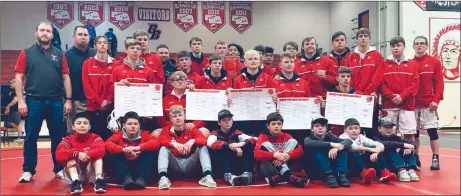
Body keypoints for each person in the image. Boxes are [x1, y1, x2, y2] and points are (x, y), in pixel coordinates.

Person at [15, 22, 72, 182]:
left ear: (52, 35)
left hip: (56, 101)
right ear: (36, 33)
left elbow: (66, 78)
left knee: (58, 137)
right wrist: (20, 101)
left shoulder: (60, 54)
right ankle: (28, 170)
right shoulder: (26, 53)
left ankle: (59, 168)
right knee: (31, 137)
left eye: (48, 31)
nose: (45, 33)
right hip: (33, 100)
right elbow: (19, 77)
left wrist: (68, 100)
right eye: (42, 30)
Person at [364, 36, 420, 145]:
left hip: (407, 105)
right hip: (389, 105)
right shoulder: (384, 64)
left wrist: (402, 96)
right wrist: (391, 96)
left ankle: (411, 159)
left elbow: (415, 84)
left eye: (398, 45)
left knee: (409, 134)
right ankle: (390, 159)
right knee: (387, 133)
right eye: (393, 46)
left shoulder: (412, 64)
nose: (396, 48)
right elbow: (381, 82)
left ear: (404, 46)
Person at [157, 105, 217, 190]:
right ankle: (163, 178)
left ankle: (207, 176)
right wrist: (173, 144)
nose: (178, 118)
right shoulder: (166, 130)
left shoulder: (191, 128)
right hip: (175, 164)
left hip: (191, 163)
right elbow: (160, 141)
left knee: (202, 146)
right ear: (171, 118)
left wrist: (192, 141)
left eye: (180, 115)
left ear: (184, 116)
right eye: (174, 116)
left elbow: (203, 140)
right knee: (163, 148)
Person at [110, 38, 158, 133]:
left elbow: (153, 92)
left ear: (141, 52)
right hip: (123, 110)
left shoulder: (148, 70)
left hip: (142, 112)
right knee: (122, 136)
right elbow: (110, 90)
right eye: (132, 48)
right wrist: (118, 85)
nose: (135, 50)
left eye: (138, 48)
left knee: (141, 136)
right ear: (126, 50)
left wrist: (150, 110)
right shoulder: (117, 70)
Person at [412, 36, 444, 170]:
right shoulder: (409, 62)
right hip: (413, 105)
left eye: (422, 44)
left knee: (433, 132)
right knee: (414, 134)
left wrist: (436, 100)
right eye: (417, 44)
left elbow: (439, 83)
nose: (419, 46)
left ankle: (435, 158)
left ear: (426, 46)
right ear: (413, 46)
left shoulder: (434, 62)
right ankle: (415, 158)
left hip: (429, 105)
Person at [105, 111, 160, 190]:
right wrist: (123, 150)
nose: (133, 126)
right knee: (115, 154)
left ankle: (142, 179)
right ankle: (126, 179)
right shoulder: (118, 135)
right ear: (123, 125)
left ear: (139, 125)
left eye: (135, 124)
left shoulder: (144, 134)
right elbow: (107, 144)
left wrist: (139, 148)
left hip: (141, 168)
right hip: (124, 169)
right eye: (129, 124)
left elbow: (156, 143)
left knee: (151, 152)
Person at [346, 28, 384, 139]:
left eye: (365, 36)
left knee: (372, 131)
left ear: (369, 38)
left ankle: (372, 155)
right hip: (355, 98)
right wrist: (357, 93)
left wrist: (366, 93)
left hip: (371, 98)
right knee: (356, 130)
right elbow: (348, 77)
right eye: (360, 36)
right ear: (357, 40)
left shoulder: (377, 56)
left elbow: (378, 77)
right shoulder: (350, 57)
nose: (363, 38)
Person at [55, 113, 106, 194]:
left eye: (85, 123)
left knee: (98, 157)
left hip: (91, 173)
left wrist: (80, 158)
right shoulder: (67, 140)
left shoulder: (96, 137)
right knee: (69, 160)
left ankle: (99, 180)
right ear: (73, 127)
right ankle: (76, 183)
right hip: (75, 172)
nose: (82, 126)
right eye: (79, 123)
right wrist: (77, 154)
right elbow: (59, 155)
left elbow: (100, 150)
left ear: (89, 127)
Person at [254, 112, 308, 188]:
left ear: (282, 125)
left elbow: (300, 151)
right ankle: (288, 175)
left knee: (293, 141)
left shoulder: (286, 136)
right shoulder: (263, 136)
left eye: (279, 124)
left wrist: (285, 156)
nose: (276, 126)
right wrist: (275, 155)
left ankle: (280, 176)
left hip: (284, 164)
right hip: (268, 169)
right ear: (268, 126)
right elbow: (256, 154)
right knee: (266, 144)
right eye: (273, 124)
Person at [233, 49, 276, 137]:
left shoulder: (268, 78)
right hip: (245, 119)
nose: (253, 61)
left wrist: (275, 97)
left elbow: (275, 96)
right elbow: (235, 100)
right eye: (250, 59)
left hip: (263, 119)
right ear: (245, 63)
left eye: (255, 59)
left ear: (260, 61)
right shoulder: (237, 80)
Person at [82, 36, 118, 141]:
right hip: (93, 108)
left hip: (111, 109)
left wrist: (108, 101)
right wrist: (99, 101)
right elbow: (86, 86)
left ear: (108, 46)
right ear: (95, 46)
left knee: (110, 139)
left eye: (105, 43)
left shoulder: (116, 64)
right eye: (99, 42)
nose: (102, 44)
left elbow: (115, 85)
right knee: (95, 139)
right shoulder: (87, 64)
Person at [207, 109, 256, 186]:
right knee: (220, 148)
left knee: (248, 145)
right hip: (221, 166)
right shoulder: (215, 134)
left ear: (232, 121)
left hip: (236, 163)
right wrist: (229, 146)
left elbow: (255, 139)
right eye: (224, 120)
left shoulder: (237, 133)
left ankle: (248, 174)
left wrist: (240, 144)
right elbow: (210, 143)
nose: (227, 122)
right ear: (219, 123)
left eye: (229, 120)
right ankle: (228, 176)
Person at [303, 115, 352, 188]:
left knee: (343, 148)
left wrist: (337, 148)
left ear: (326, 128)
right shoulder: (309, 138)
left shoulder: (330, 136)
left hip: (332, 169)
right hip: (315, 170)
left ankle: (341, 175)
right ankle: (328, 175)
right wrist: (331, 144)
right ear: (312, 129)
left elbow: (348, 141)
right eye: (317, 126)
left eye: (323, 126)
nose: (320, 128)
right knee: (319, 148)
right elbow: (307, 143)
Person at [155, 71, 208, 138]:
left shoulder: (194, 96)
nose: (180, 82)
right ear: (171, 83)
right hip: (171, 129)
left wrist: (194, 124)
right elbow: (161, 120)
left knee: (204, 131)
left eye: (182, 80)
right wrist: (176, 125)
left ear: (186, 82)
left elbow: (202, 114)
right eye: (177, 80)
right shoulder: (165, 100)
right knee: (156, 133)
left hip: (190, 129)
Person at [65, 25, 96, 134]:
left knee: (93, 132)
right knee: (74, 133)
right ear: (74, 37)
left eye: (85, 35)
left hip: (94, 101)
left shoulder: (95, 54)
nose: (83, 37)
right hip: (74, 101)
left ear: (89, 38)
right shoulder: (66, 55)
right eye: (80, 34)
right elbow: (63, 79)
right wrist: (67, 100)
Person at [339, 118, 388, 184]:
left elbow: (380, 145)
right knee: (354, 151)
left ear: (359, 130)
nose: (354, 131)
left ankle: (384, 173)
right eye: (351, 128)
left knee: (374, 147)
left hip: (363, 163)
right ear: (345, 130)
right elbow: (353, 148)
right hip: (351, 165)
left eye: (356, 128)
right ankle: (364, 173)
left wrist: (376, 152)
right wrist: (371, 149)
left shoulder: (361, 137)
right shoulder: (342, 137)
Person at [373, 117, 419, 182]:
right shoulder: (376, 137)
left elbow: (411, 143)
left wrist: (410, 147)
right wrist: (403, 145)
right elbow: (385, 144)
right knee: (391, 148)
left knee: (408, 149)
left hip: (392, 163)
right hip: (383, 165)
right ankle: (400, 169)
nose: (389, 130)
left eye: (391, 127)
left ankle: (411, 169)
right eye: (386, 127)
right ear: (379, 128)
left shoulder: (394, 137)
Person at [4, 79, 24, 143]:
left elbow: (16, 100)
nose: (10, 84)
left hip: (16, 109)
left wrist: (8, 106)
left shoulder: (17, 91)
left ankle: (20, 137)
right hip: (12, 110)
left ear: (16, 83)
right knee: (10, 122)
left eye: (11, 83)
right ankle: (20, 131)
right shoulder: (12, 91)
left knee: (18, 123)